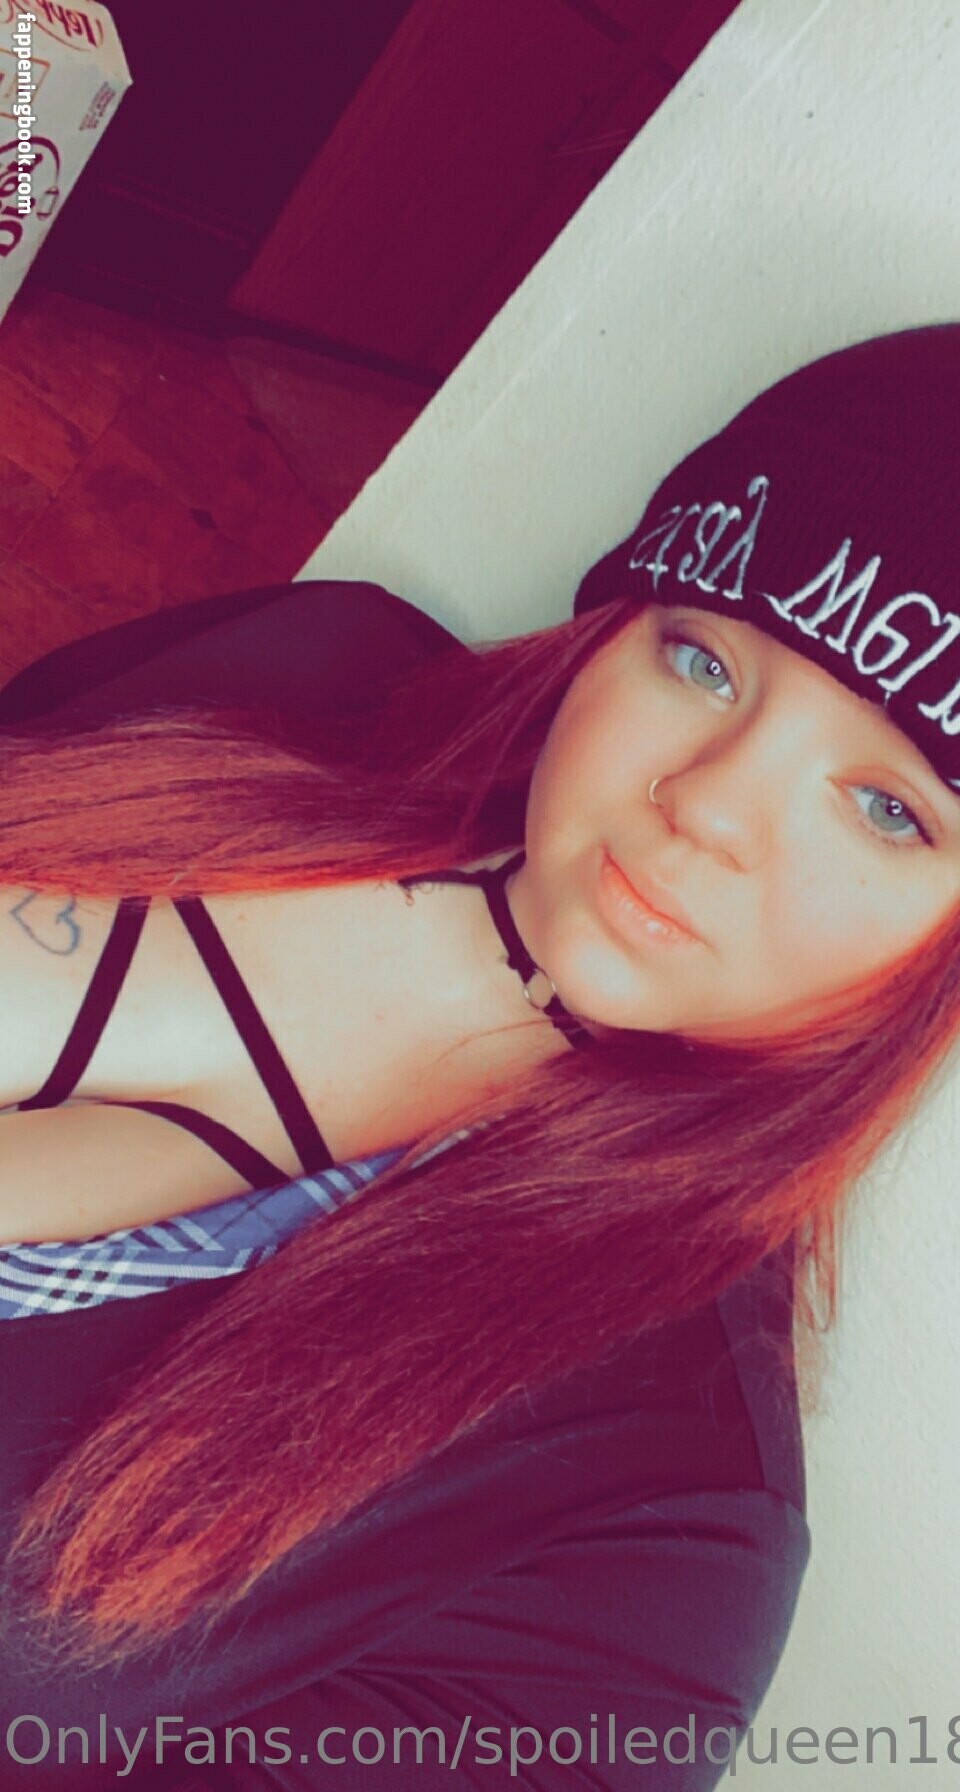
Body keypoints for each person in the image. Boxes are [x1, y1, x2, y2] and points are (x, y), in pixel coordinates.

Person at [0, 319, 957, 1790]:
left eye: (889, 808)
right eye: (702, 660)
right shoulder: (306, 672)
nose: (707, 807)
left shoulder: (652, 1554)